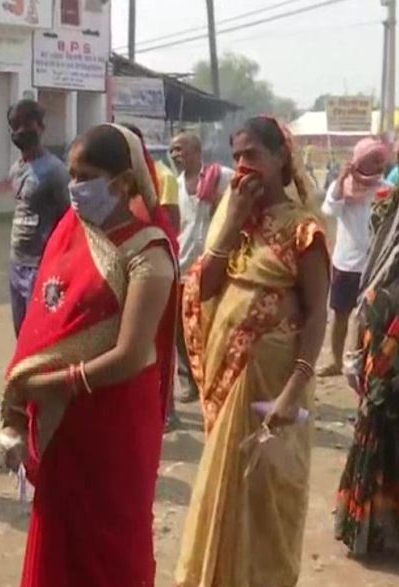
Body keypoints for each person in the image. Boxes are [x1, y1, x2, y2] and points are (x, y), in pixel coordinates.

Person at [0, 123, 178, 587]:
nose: (75, 186)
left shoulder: (149, 254)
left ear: (123, 181)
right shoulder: (70, 234)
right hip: (64, 419)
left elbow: (132, 355)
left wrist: (55, 384)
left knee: (110, 541)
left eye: (88, 175)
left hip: (113, 421)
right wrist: (17, 410)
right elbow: (43, 324)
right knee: (60, 534)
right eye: (72, 174)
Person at [175, 116, 329, 587]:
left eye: (253, 155)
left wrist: (292, 392)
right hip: (230, 383)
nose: (243, 167)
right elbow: (207, 290)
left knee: (266, 502)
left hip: (274, 390)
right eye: (237, 156)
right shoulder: (235, 218)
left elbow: (317, 316)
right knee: (225, 490)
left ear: (281, 157)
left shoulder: (304, 231)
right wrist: (232, 223)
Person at [335, 182, 399, 557]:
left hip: (383, 335)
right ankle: (372, 527)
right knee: (381, 422)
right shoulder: (388, 209)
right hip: (386, 339)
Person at [170, 131, 234, 404]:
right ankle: (188, 379)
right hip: (183, 265)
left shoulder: (222, 177)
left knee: (214, 324)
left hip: (215, 265)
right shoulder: (174, 185)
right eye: (172, 150)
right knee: (180, 327)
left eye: (180, 149)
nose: (175, 155)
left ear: (196, 151)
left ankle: (214, 377)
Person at [319, 138, 390, 376]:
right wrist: (340, 179)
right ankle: (335, 362)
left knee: (368, 318)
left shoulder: (385, 188)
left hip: (375, 265)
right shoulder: (344, 187)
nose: (379, 164)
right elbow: (329, 209)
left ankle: (361, 363)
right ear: (360, 161)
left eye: (381, 159)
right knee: (340, 315)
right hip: (347, 262)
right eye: (373, 160)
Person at [7, 99, 69, 335]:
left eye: (28, 124)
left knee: (41, 335)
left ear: (41, 128)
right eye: (15, 125)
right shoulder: (15, 169)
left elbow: (68, 219)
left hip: (42, 266)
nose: (21, 131)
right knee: (21, 334)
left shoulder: (56, 171)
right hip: (16, 263)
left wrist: (59, 263)